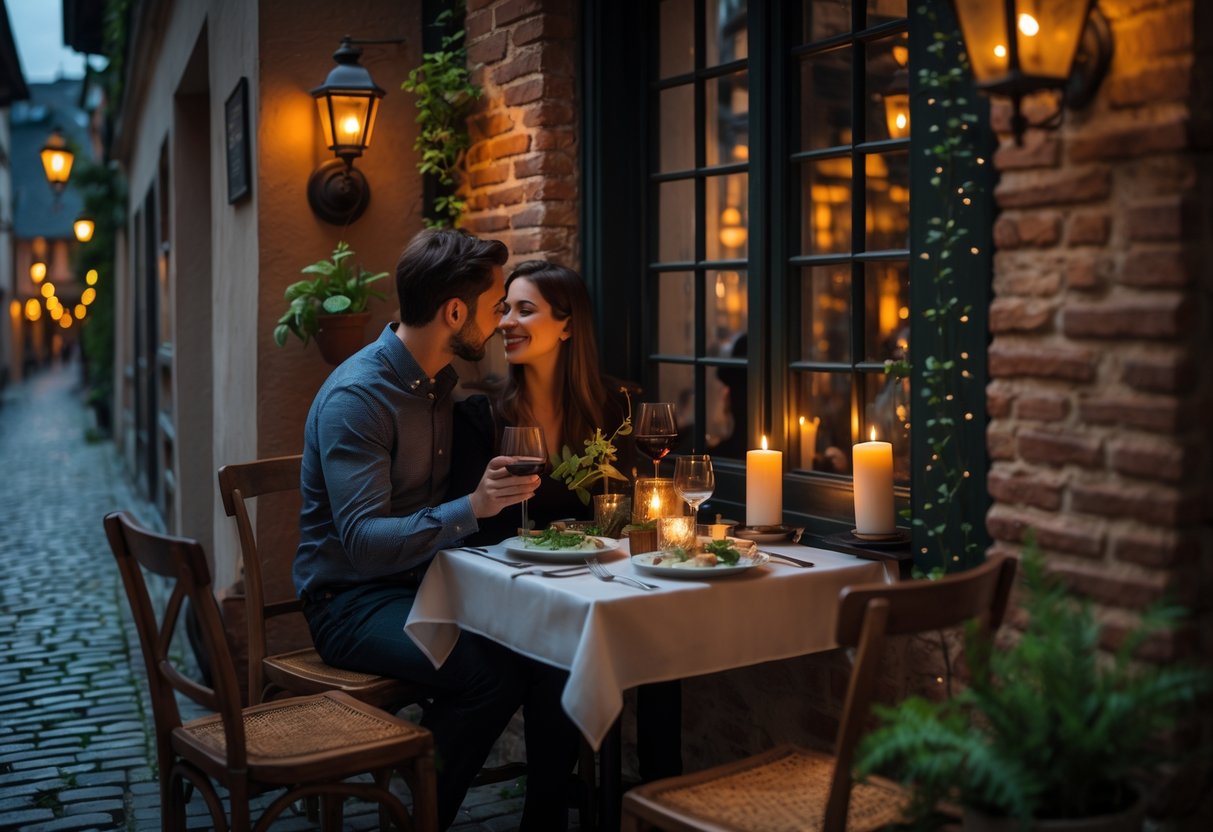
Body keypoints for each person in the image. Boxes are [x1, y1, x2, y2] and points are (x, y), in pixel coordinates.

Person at [293, 229, 579, 830]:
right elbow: (365, 543)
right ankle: (416, 818)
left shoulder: (439, 385)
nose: (502, 319)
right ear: (455, 312)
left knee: (551, 647)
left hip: (422, 587)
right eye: (496, 305)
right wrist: (473, 507)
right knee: (490, 674)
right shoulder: (359, 397)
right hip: (349, 602)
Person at [452, 260, 636, 544]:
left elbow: (619, 520)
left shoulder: (612, 409)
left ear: (568, 327)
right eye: (505, 309)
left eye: (525, 311)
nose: (504, 323)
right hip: (505, 576)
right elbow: (463, 532)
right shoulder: (480, 416)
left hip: (590, 574)